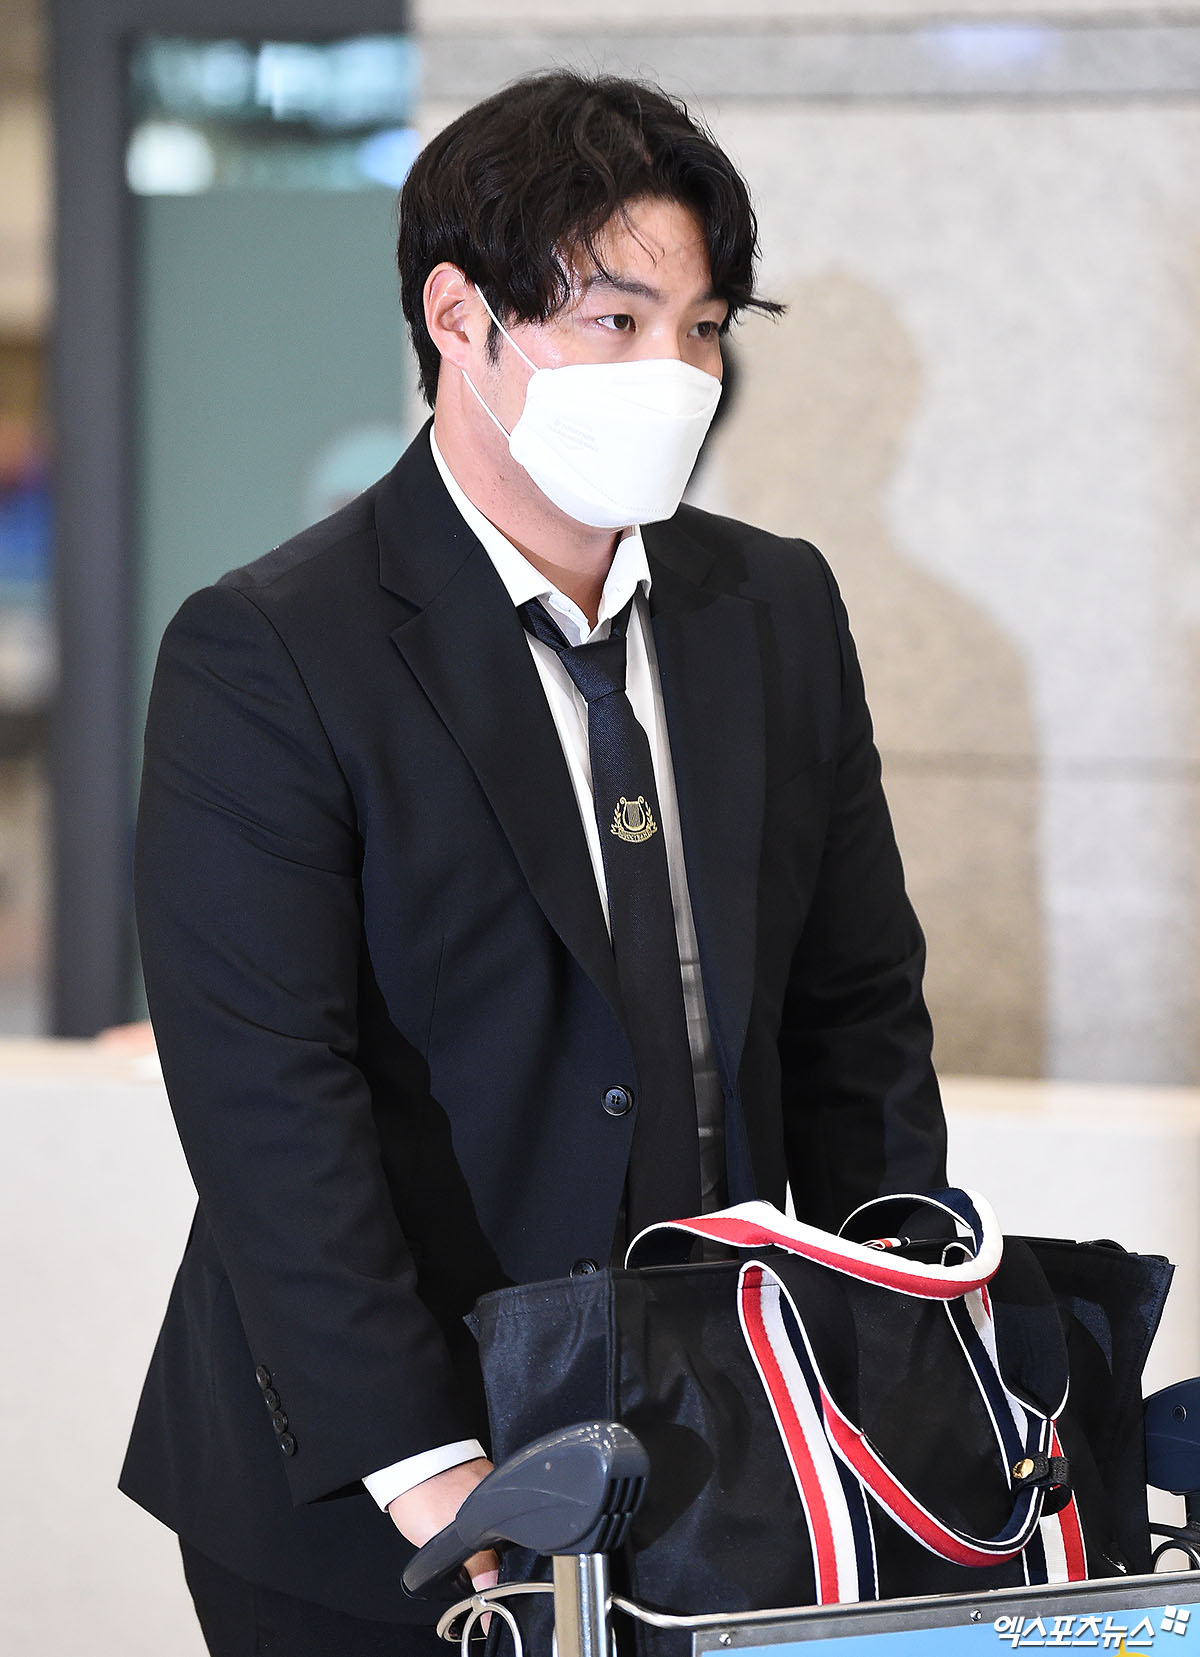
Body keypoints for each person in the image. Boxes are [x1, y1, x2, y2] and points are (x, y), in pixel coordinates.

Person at [120, 71, 947, 1657]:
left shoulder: (772, 609)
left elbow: (857, 1017)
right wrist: (432, 1469)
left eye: (705, 328)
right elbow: (268, 1098)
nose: (676, 374)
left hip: (721, 1447)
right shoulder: (273, 647)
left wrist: (895, 1356)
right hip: (385, 1483)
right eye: (616, 321)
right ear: (461, 319)